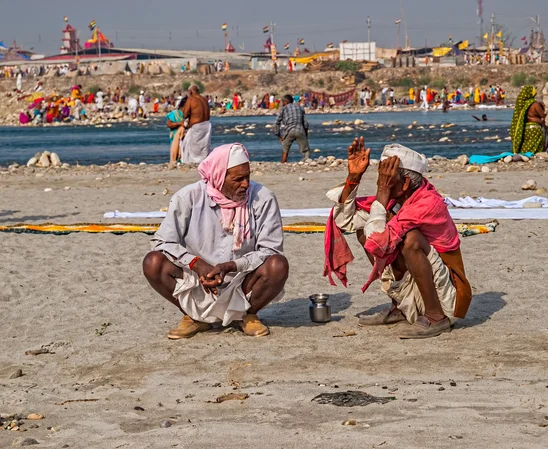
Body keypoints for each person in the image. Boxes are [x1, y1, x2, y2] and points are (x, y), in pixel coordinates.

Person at [323, 137, 472, 338]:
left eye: (386, 177)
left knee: (410, 239)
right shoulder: (397, 199)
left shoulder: (427, 203)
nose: (380, 181)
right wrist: (354, 177)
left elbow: (378, 240)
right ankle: (401, 307)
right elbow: (346, 221)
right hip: (418, 286)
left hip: (448, 298)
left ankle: (436, 317)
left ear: (406, 183)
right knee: (364, 227)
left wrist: (382, 193)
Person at [143, 143, 289, 339]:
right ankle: (194, 317)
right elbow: (162, 243)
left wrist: (230, 266)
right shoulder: (188, 197)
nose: (245, 184)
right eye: (238, 179)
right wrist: (197, 264)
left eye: (247, 177)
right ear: (218, 177)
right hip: (197, 280)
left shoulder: (263, 198)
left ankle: (247, 314)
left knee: (277, 265)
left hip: (243, 280)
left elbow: (270, 249)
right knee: (153, 263)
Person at [274, 94, 310, 163]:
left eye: (282, 102)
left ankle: (283, 164)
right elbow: (305, 124)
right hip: (300, 130)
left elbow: (276, 123)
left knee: (285, 150)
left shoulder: (284, 109)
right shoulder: (300, 108)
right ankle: (307, 163)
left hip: (288, 131)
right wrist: (305, 135)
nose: (282, 104)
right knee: (305, 150)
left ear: (286, 102)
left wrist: (279, 136)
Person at [180, 85, 212, 163]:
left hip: (196, 125)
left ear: (190, 91)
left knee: (189, 145)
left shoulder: (191, 99)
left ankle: (191, 161)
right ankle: (204, 161)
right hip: (207, 125)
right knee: (204, 146)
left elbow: (185, 114)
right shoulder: (204, 99)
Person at [510, 85, 545, 154]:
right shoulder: (534, 104)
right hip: (535, 129)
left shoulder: (523, 104)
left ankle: (524, 156)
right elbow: (543, 115)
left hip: (526, 129)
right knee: (535, 146)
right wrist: (543, 106)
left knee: (526, 146)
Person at [166, 96, 187, 164]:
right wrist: (179, 124)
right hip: (175, 136)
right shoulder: (175, 113)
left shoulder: (187, 115)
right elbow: (169, 124)